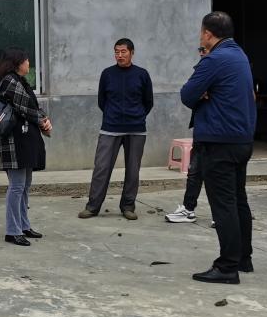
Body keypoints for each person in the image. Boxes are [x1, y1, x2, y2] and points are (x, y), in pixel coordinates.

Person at [180, 11, 256, 284]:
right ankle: (243, 258)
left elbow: (187, 94)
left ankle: (227, 267)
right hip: (241, 140)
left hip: (219, 142)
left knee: (223, 205)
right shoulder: (239, 55)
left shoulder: (214, 59)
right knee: (238, 200)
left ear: (208, 34)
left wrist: (203, 91)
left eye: (201, 32)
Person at [78, 38, 154, 220]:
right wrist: (112, 115)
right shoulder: (107, 74)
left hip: (136, 129)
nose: (119, 55)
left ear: (132, 53)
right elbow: (102, 101)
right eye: (116, 52)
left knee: (133, 170)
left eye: (123, 52)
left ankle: (128, 206)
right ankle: (93, 206)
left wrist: (137, 116)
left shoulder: (142, 74)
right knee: (101, 168)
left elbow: (148, 101)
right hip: (110, 128)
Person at [0, 49, 52, 246]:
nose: (29, 63)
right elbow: (26, 106)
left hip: (25, 139)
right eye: (27, 60)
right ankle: (12, 231)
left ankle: (23, 225)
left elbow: (32, 106)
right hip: (14, 141)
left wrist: (43, 119)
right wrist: (43, 120)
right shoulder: (9, 81)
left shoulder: (20, 81)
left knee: (25, 185)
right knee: (17, 186)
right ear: (17, 62)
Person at [166, 45, 210, 225]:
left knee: (217, 175)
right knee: (194, 172)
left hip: (218, 131)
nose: (201, 53)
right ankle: (188, 209)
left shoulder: (222, 68)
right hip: (202, 129)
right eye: (200, 49)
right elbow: (188, 93)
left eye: (205, 49)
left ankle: (221, 215)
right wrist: (199, 93)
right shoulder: (202, 69)